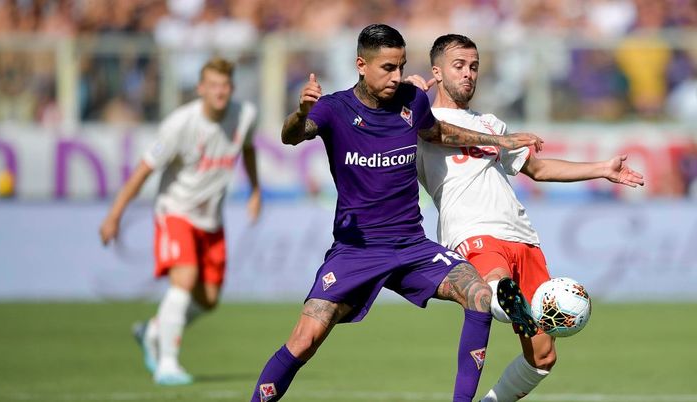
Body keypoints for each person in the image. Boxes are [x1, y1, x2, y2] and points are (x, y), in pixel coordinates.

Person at [250, 24, 543, 402]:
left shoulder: (412, 101)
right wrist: (300, 112)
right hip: (357, 251)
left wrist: (499, 140)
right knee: (304, 341)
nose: (397, 76)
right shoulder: (334, 109)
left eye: (401, 66)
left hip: (411, 247)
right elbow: (292, 135)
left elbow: (438, 133)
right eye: (388, 67)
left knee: (480, 295)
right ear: (361, 65)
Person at [414, 34, 645, 402]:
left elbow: (537, 169)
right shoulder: (421, 119)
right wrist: (406, 96)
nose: (469, 73)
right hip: (472, 230)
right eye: (459, 66)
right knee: (495, 284)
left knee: (542, 358)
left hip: (522, 237)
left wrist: (602, 168)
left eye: (474, 66)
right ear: (437, 72)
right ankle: (503, 301)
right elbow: (430, 132)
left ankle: (502, 336)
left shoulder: (490, 123)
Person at [99, 57, 261, 386]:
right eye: (213, 86)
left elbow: (247, 149)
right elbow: (143, 171)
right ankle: (167, 364)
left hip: (211, 219)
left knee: (209, 299)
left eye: (225, 86)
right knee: (184, 280)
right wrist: (114, 215)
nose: (219, 92)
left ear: (232, 88)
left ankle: (153, 331)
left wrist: (256, 189)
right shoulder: (179, 125)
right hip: (176, 211)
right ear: (200, 88)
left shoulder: (245, 115)